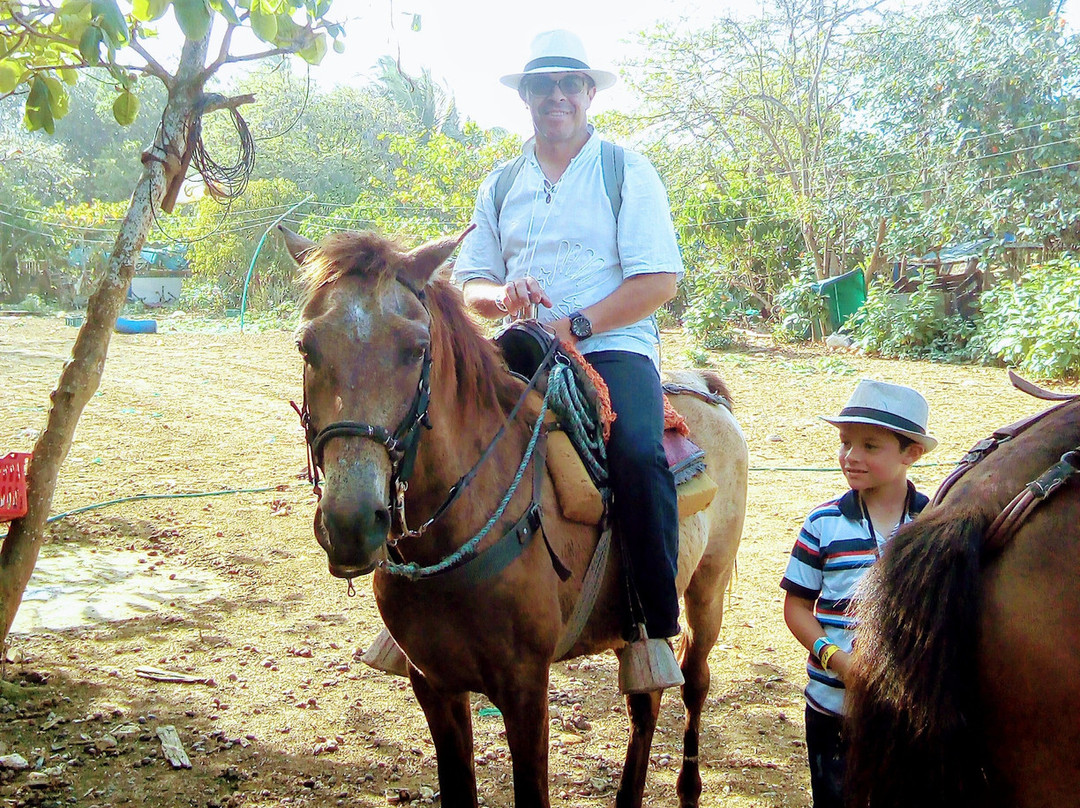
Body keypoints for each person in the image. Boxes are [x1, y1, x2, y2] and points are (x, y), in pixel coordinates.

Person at [452, 30, 685, 690]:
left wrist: (576, 323)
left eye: (570, 83)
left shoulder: (625, 170)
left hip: (612, 346)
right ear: (525, 97)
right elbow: (472, 282)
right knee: (436, 428)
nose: (557, 96)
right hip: (522, 346)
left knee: (639, 454)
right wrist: (503, 295)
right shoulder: (500, 183)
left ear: (588, 92)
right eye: (543, 85)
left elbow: (659, 281)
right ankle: (414, 600)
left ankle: (652, 627)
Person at [780, 378, 937, 807]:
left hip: (911, 713)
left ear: (912, 453)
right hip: (833, 705)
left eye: (870, 446)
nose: (851, 456)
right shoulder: (823, 524)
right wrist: (837, 660)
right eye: (846, 442)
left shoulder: (935, 524)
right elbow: (796, 605)